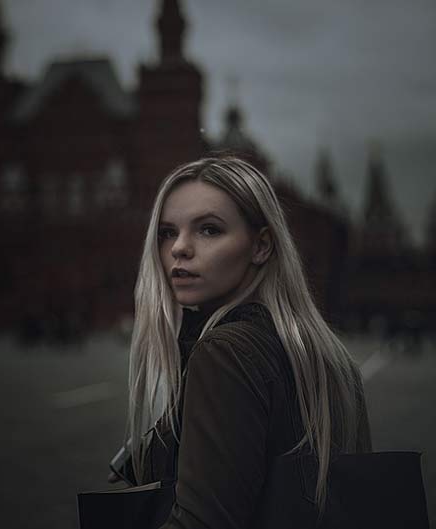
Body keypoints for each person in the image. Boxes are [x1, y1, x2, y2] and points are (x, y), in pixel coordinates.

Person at [117, 156, 372, 528]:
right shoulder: (325, 352)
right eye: (167, 232)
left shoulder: (225, 352)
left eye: (208, 230)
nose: (179, 248)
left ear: (261, 246)